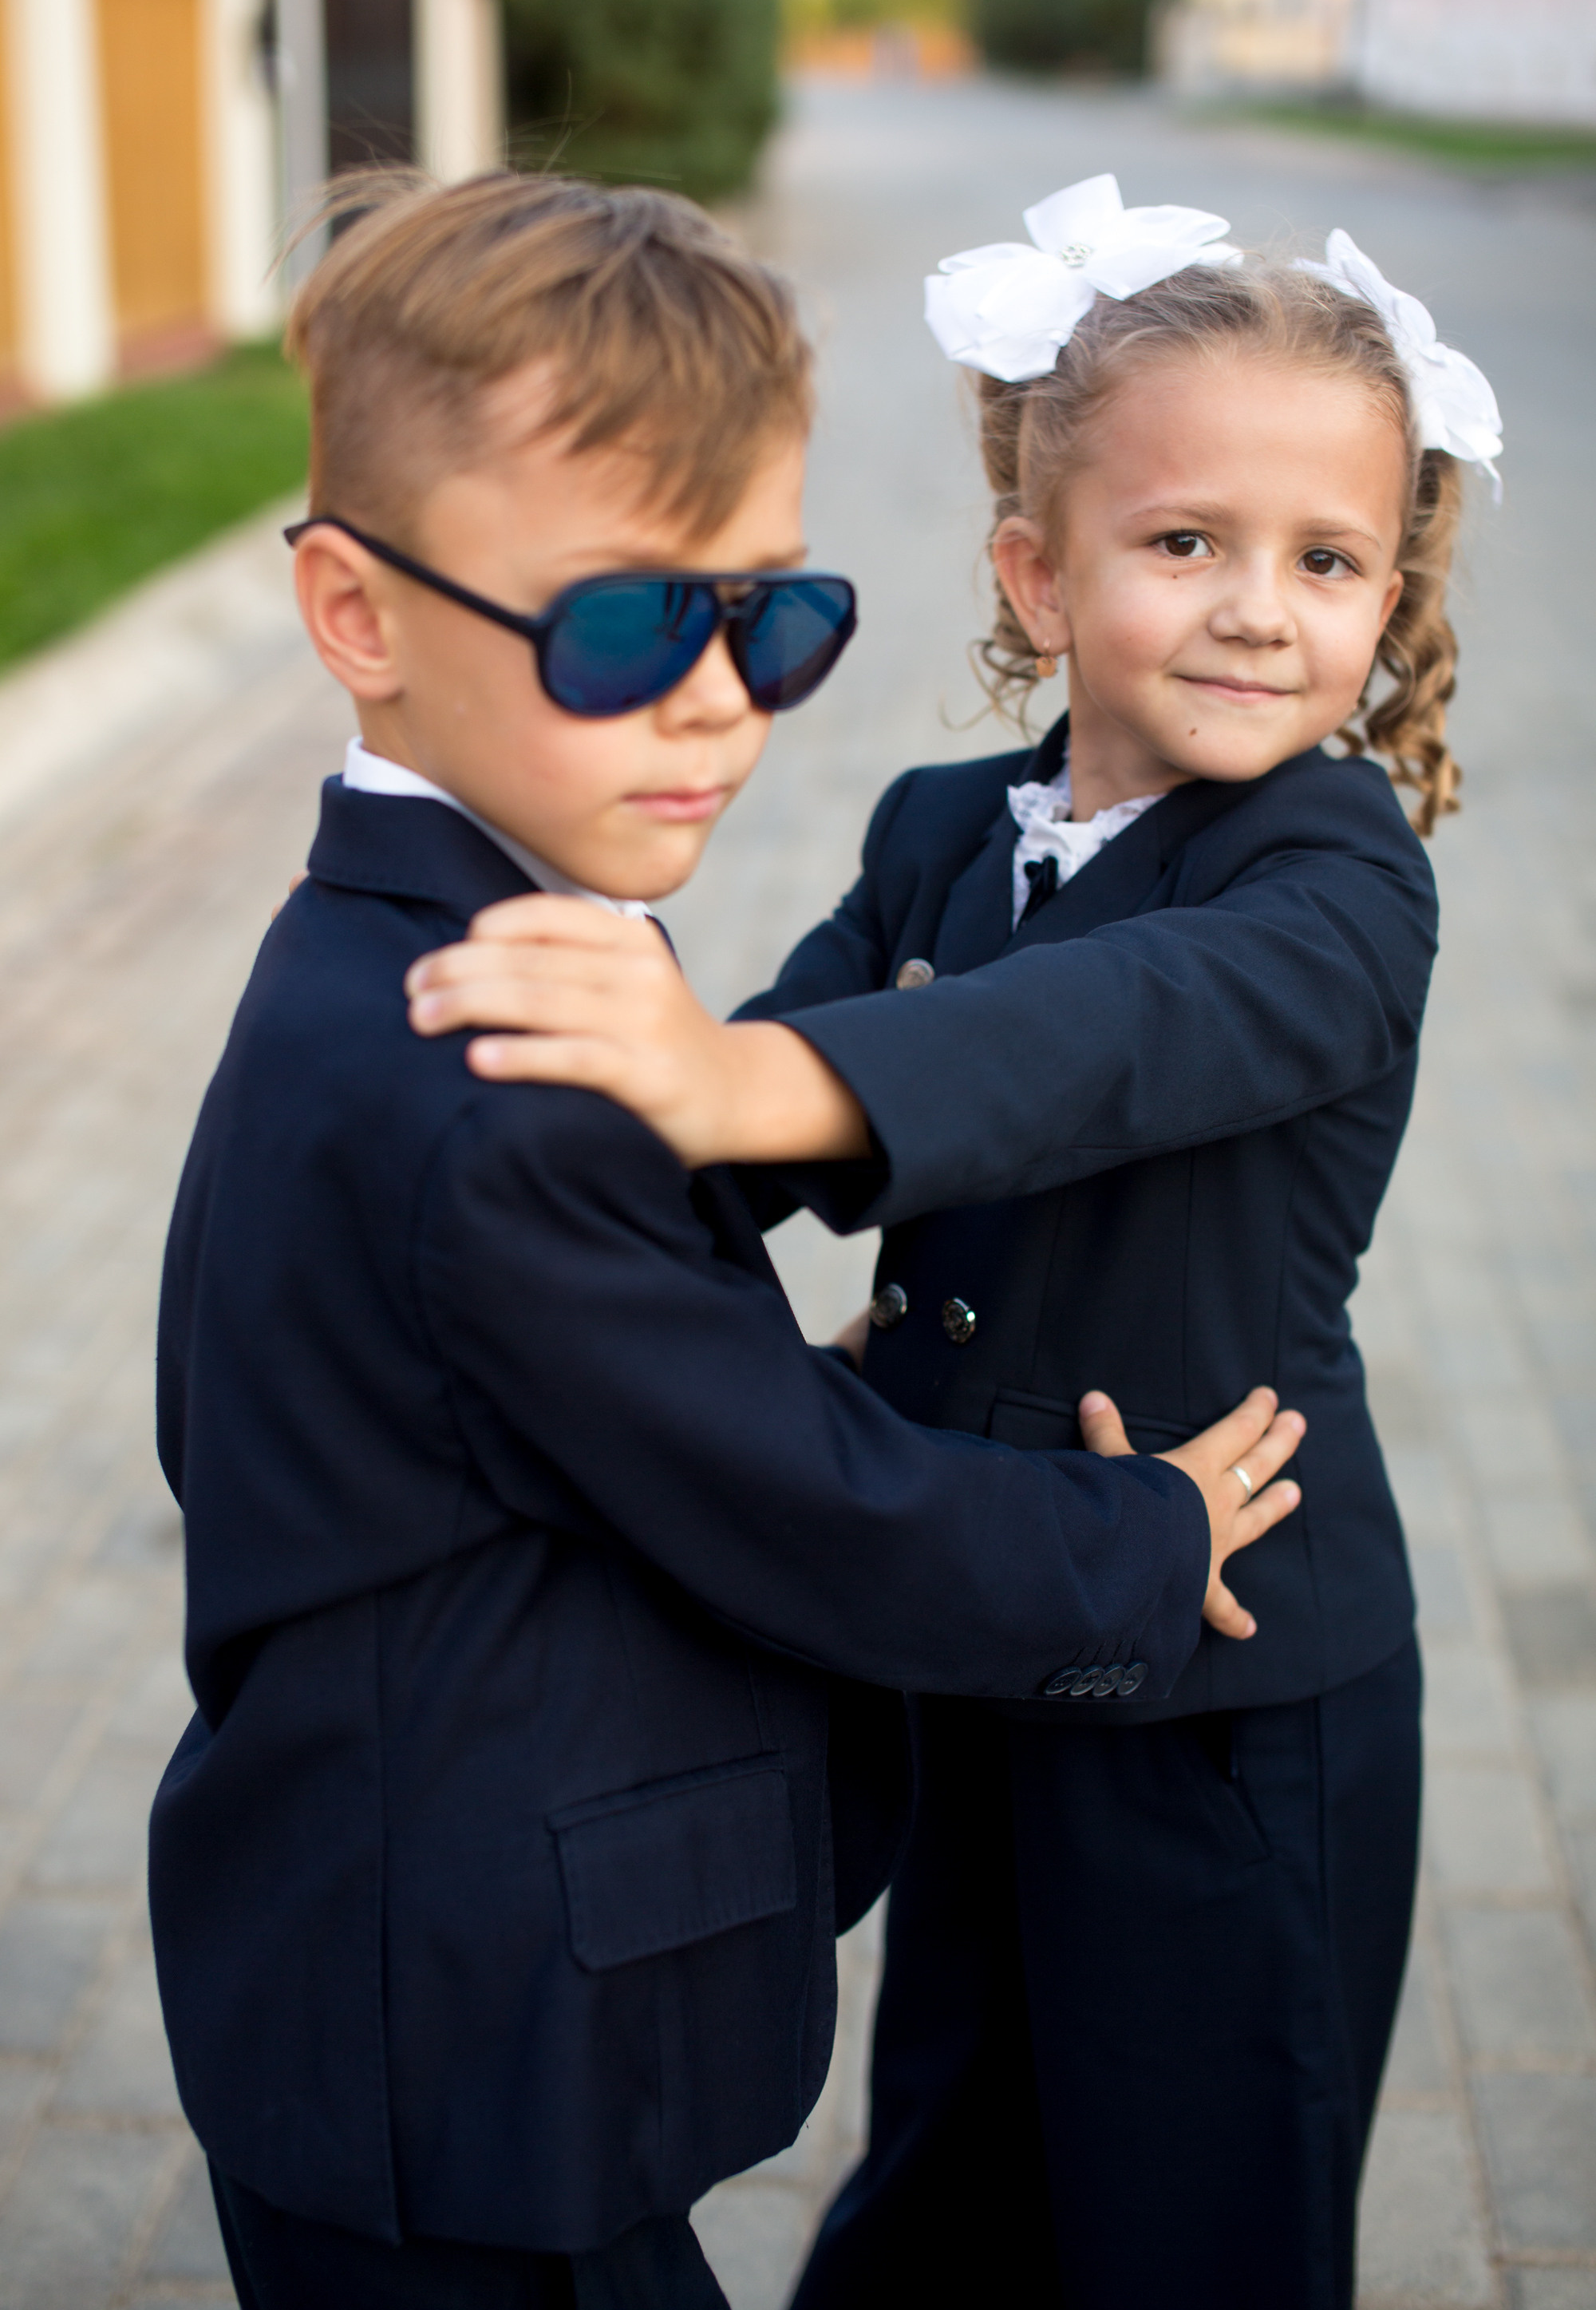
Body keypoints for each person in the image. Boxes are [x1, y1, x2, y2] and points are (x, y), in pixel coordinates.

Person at [149, 169, 1303, 2310]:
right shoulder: (478, 1072)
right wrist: (1133, 1547)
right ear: (358, 617)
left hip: (402, 1973)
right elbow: (808, 1515)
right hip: (467, 2051)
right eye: (619, 626)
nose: (717, 703)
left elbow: (538, 1399)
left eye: (770, 617)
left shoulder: (449, 944)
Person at [402, 180, 1503, 2308]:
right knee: (958, 2143)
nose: (1262, 608)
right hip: (987, 1622)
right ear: (1038, 569)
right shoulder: (936, 837)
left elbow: (1106, 1037)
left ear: (1388, 595)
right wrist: (562, 1193)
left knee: (1193, 2212)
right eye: (1187, 543)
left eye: (1330, 559)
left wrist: (749, 1082)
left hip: (1227, 1686)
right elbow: (737, 1128)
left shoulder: (1342, 880)